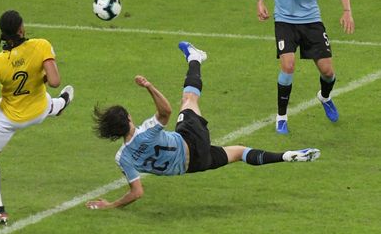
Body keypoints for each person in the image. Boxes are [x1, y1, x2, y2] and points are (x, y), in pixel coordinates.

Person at [85, 42, 320, 210]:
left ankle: (286, 156)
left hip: (193, 165)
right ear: (128, 119)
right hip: (191, 140)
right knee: (188, 100)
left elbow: (137, 192)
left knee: (238, 152)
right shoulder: (145, 131)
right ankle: (195, 57)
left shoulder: (122, 158)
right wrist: (149, 86)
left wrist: (110, 205)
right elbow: (165, 112)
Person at [0, 10, 74, 225]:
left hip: (9, 119)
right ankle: (59, 105)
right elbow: (56, 81)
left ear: (3, 34)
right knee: (49, 102)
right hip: (39, 110)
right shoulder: (41, 45)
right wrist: (39, 75)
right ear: (21, 29)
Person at [256, 0, 354, 134]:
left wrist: (347, 11)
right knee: (288, 65)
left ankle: (325, 97)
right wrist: (260, 1)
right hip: (284, 21)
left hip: (311, 21)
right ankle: (281, 117)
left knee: (328, 72)